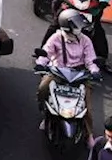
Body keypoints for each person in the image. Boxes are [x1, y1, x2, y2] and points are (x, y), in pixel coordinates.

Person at [37, 8, 101, 142]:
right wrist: (41, 64)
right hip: (58, 72)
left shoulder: (85, 40)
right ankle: (45, 114)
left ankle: (89, 135)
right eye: (76, 25)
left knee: (87, 106)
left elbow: (90, 59)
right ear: (68, 27)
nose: (80, 28)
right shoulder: (56, 38)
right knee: (43, 88)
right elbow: (46, 52)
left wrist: (95, 71)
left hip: (79, 75)